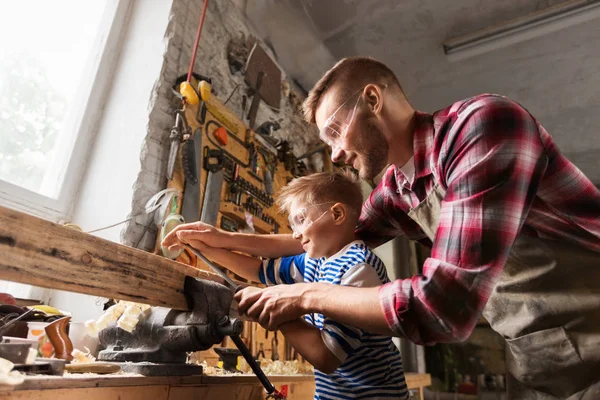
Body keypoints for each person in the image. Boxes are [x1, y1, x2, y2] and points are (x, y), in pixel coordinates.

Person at [164, 57, 600, 399]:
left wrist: (304, 295)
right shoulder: (398, 187)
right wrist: (222, 238)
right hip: (538, 357)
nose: (334, 154)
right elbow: (324, 239)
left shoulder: (482, 128)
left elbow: (442, 310)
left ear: (373, 99)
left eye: (336, 131)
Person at [170, 171, 408, 399]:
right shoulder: (316, 261)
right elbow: (258, 270)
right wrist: (204, 247)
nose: (295, 234)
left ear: (337, 215)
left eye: (301, 220)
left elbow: (327, 357)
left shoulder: (358, 269)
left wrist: (280, 315)